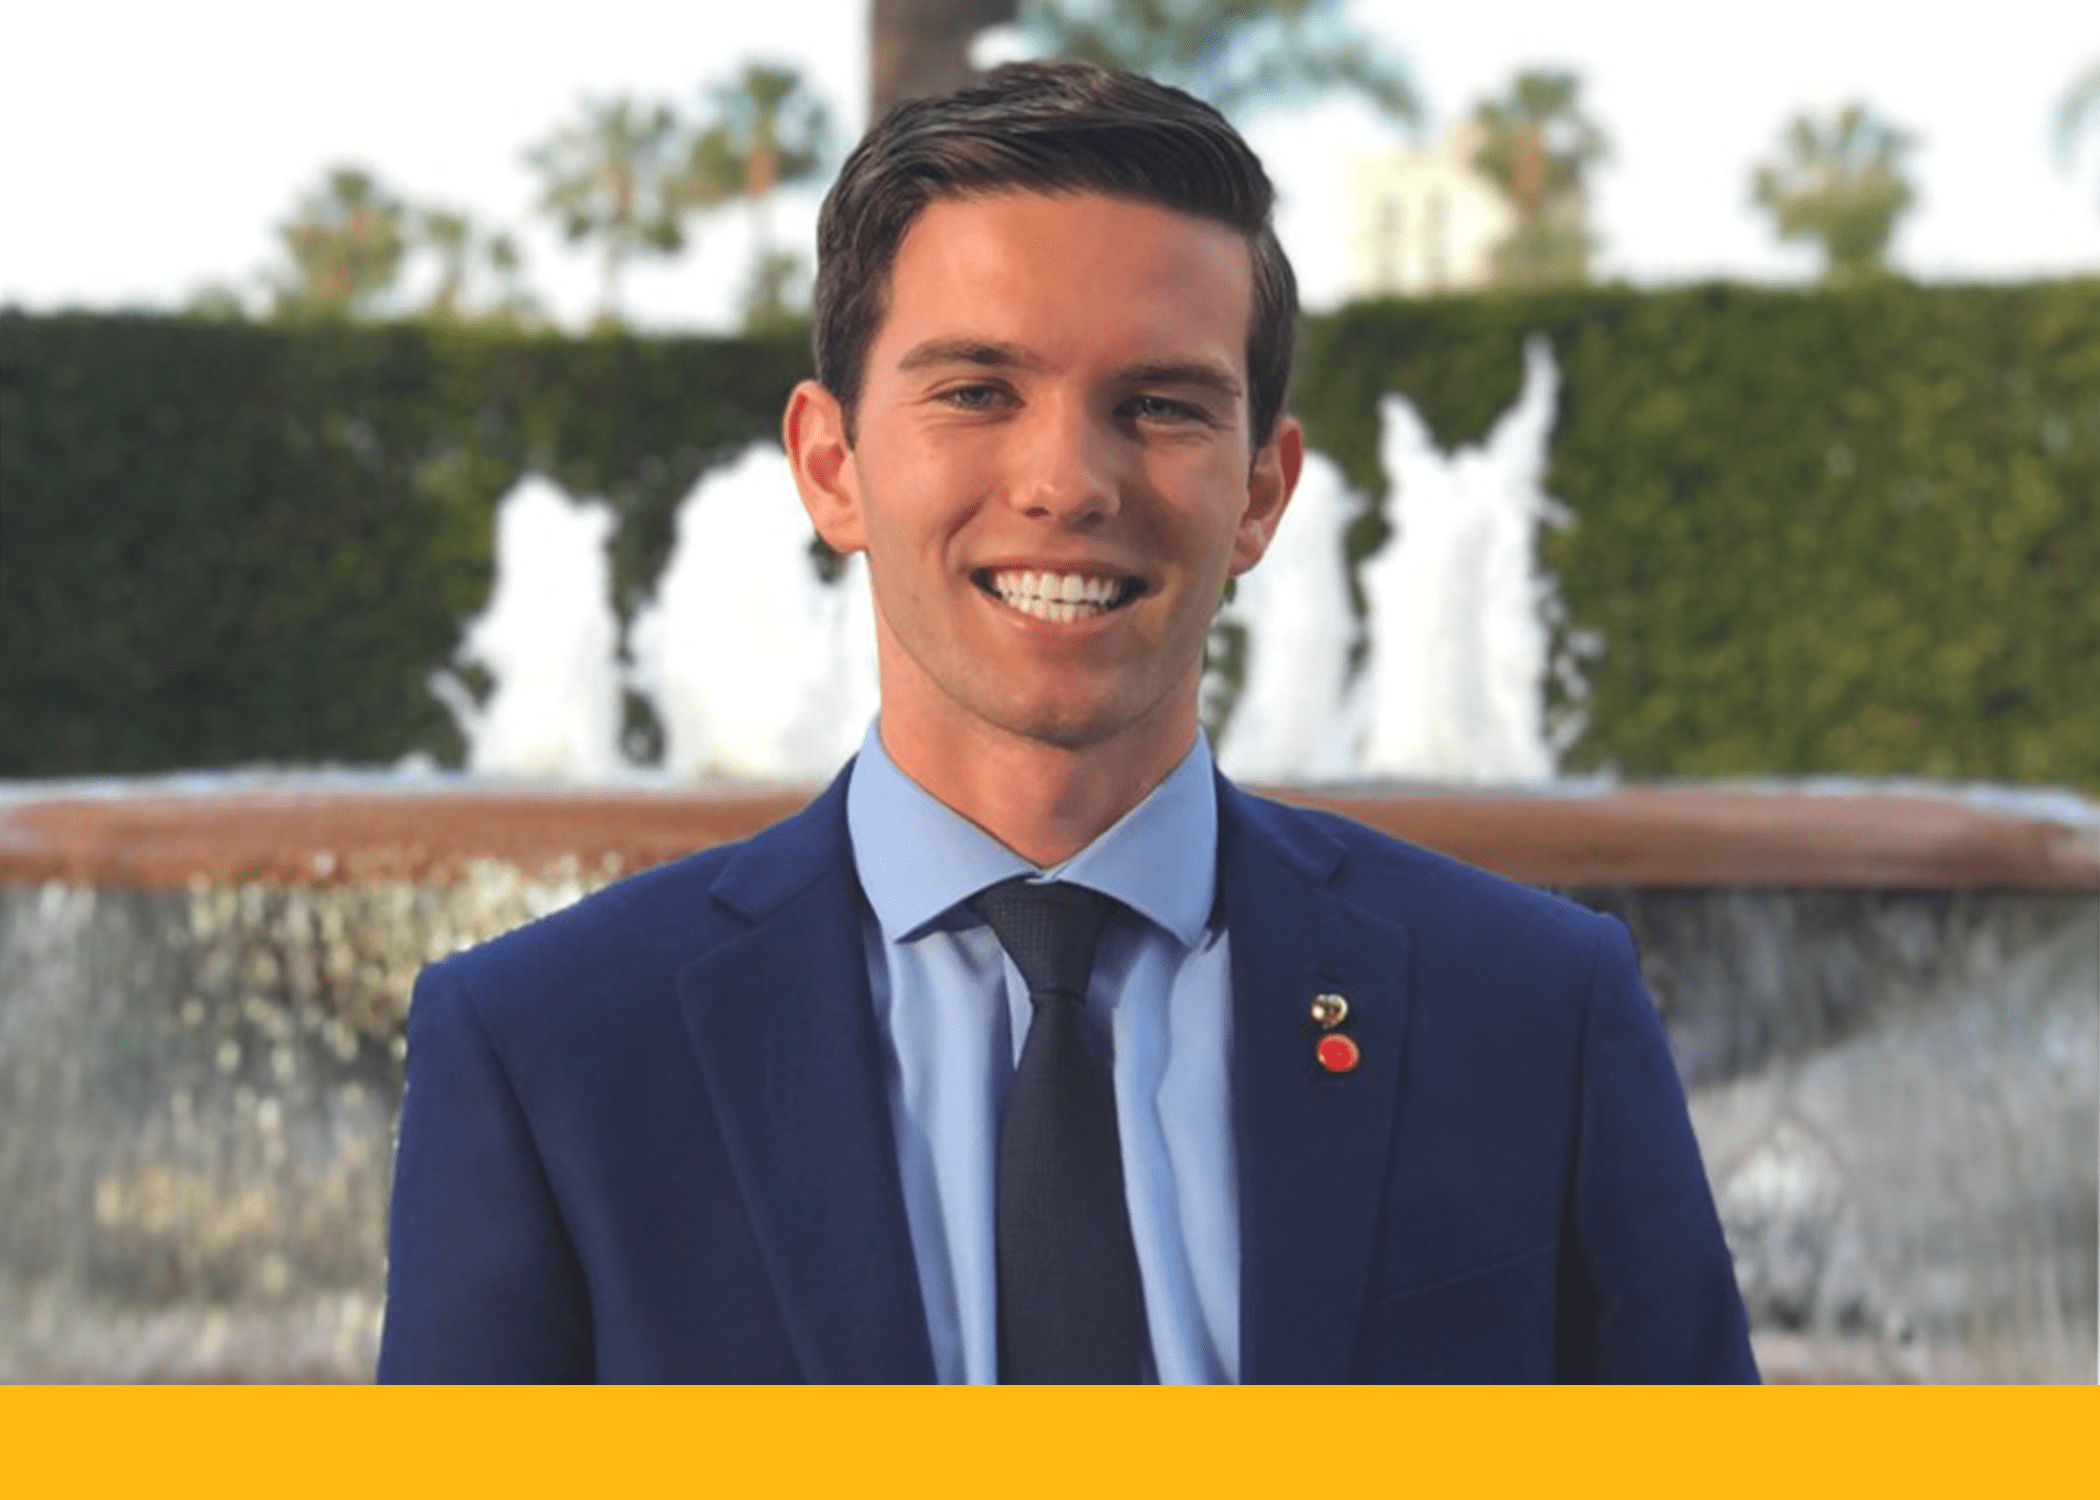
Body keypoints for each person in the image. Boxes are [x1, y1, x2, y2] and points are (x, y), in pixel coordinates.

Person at [378, 60, 1757, 1384]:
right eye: (977, 392)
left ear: (1264, 492)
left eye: (1158, 406)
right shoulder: (546, 1051)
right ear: (829, 464)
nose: (1067, 482)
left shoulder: (1534, 1012)